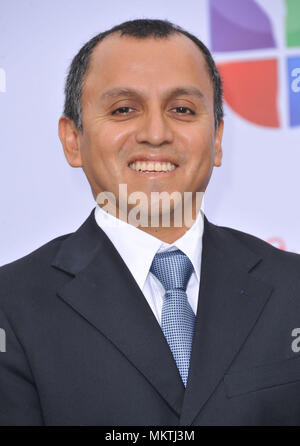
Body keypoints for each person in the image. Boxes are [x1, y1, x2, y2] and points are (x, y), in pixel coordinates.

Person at [1, 18, 300, 427]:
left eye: (182, 109)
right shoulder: (10, 305)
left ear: (216, 140)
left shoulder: (293, 288)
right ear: (73, 140)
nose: (156, 133)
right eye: (124, 109)